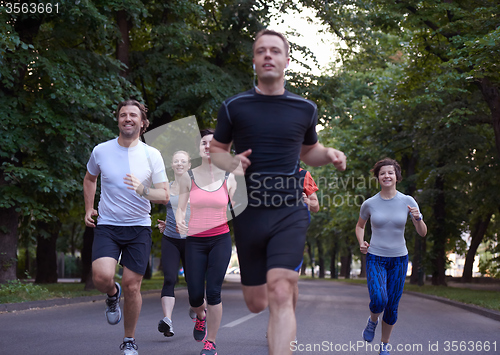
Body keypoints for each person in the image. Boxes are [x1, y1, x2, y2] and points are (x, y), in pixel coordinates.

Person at [209, 29, 346, 355]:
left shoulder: (304, 109)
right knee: (257, 303)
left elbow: (308, 151)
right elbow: (215, 150)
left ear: (286, 60)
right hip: (249, 212)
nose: (268, 55)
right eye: (261, 51)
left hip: (289, 209)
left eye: (274, 51)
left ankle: (283, 333)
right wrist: (231, 162)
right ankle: (278, 316)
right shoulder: (233, 107)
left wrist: (327, 154)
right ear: (254, 60)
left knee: (282, 291)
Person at [83, 100, 169, 355]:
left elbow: (164, 195)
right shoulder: (101, 151)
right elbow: (90, 178)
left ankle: (129, 339)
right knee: (102, 277)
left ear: (143, 123)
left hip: (138, 227)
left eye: (133, 115)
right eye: (123, 115)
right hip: (108, 225)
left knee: (133, 285)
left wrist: (143, 189)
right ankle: (112, 294)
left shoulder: (152, 155)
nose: (127, 118)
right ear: (118, 120)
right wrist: (89, 208)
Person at [355, 158, 427, 355]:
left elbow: (422, 232)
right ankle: (372, 321)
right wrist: (362, 242)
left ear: (397, 177)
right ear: (378, 177)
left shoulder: (408, 201)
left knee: (392, 305)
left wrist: (418, 218)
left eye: (390, 173)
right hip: (376, 257)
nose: (387, 175)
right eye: (382, 173)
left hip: (399, 259)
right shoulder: (369, 203)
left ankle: (384, 345)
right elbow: (360, 226)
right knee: (379, 299)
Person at [176, 128, 236, 355]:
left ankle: (210, 342)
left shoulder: (229, 179)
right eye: (203, 143)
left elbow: (239, 210)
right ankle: (200, 316)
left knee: (213, 292)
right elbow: (181, 209)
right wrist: (180, 221)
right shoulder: (187, 177)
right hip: (195, 241)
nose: (208, 146)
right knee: (194, 296)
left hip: (220, 239)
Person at [156, 150, 197, 337]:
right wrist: (167, 224)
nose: (179, 164)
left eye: (183, 161)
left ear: (189, 165)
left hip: (192, 241)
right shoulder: (167, 188)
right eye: (176, 161)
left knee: (193, 282)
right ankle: (168, 321)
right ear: (172, 166)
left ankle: (196, 305)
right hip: (171, 239)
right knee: (170, 278)